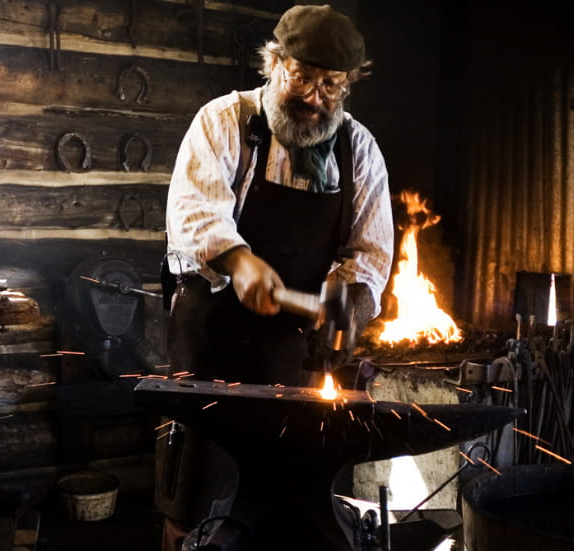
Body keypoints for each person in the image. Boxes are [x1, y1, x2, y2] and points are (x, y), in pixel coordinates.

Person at [157, 4, 395, 548]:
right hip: (212, 347)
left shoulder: (359, 150)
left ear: (349, 84)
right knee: (196, 500)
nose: (314, 98)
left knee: (286, 500)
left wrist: (350, 302)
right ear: (274, 62)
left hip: (294, 353)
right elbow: (194, 214)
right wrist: (239, 262)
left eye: (331, 85)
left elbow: (369, 252)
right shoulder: (224, 122)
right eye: (302, 78)